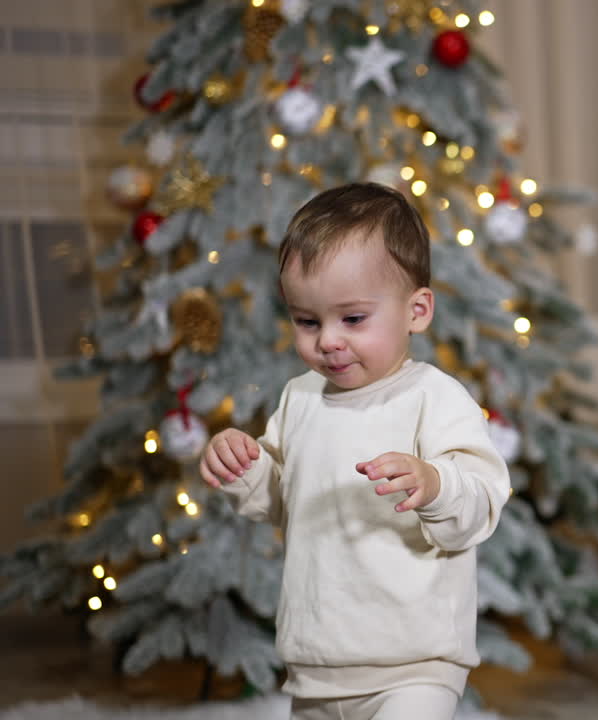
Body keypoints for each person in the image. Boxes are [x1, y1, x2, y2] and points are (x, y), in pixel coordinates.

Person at [200, 182, 511, 720]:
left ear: (417, 311)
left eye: (352, 319)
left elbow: (480, 503)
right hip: (316, 660)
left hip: (415, 663)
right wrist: (244, 467)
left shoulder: (432, 398)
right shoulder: (300, 398)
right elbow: (279, 497)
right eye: (307, 321)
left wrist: (434, 484)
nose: (327, 340)